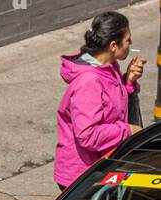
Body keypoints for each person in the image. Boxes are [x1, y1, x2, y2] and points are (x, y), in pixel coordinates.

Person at [56, 11, 144, 190]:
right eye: (128, 40)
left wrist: (128, 83)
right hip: (81, 176)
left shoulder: (109, 67)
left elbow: (112, 106)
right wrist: (128, 130)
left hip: (102, 165)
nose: (130, 44)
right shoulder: (89, 82)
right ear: (113, 45)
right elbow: (88, 135)